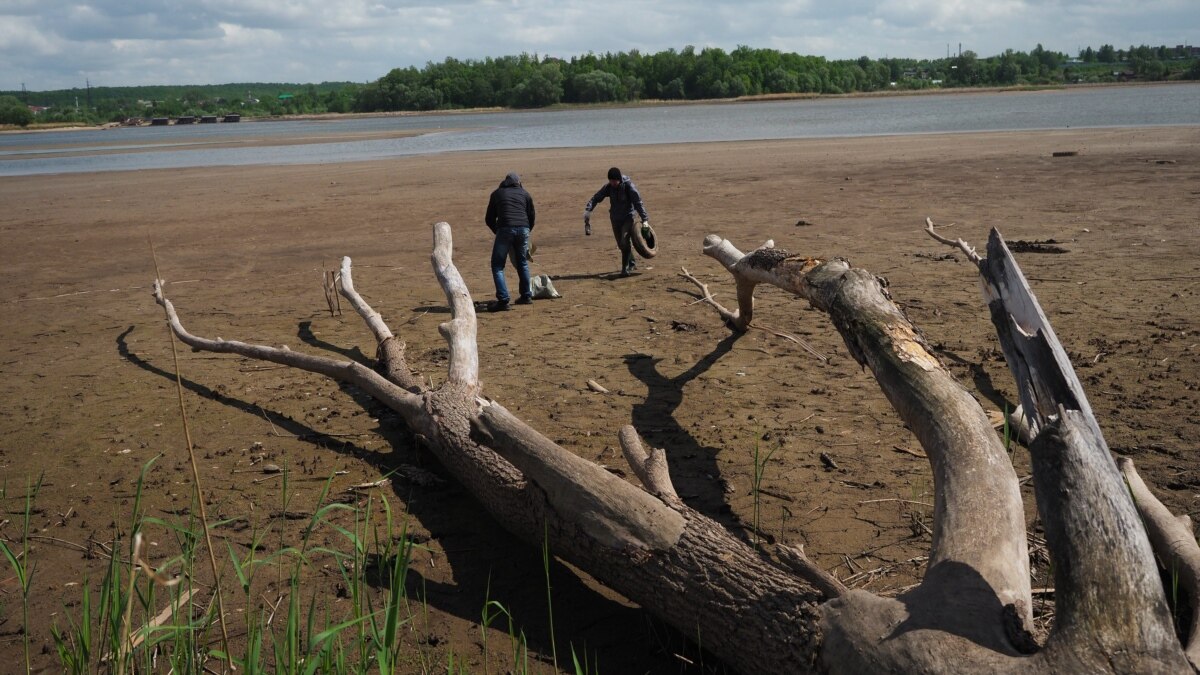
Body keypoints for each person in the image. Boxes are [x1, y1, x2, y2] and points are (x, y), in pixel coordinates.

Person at [583, 167, 649, 277]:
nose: (612, 183)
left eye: (614, 181)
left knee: (624, 240)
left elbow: (638, 203)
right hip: (615, 219)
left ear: (619, 179)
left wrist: (645, 220)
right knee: (621, 244)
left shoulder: (629, 187)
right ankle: (631, 262)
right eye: (610, 181)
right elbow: (596, 198)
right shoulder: (609, 187)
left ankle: (625, 269)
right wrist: (588, 210)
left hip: (628, 218)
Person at [484, 172, 536, 312]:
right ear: (518, 183)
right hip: (523, 229)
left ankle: (503, 300)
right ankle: (526, 296)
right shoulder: (525, 194)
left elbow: (489, 219)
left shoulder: (497, 194)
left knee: (497, 266)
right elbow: (531, 217)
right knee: (522, 263)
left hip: (505, 229)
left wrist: (499, 232)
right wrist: (525, 232)